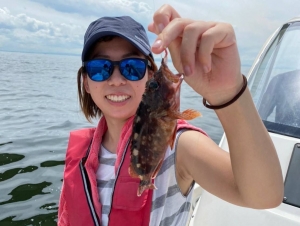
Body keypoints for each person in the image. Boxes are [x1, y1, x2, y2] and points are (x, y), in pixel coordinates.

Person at [58, 4, 284, 226]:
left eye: (132, 67)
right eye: (100, 68)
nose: (116, 79)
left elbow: (263, 196)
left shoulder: (180, 145)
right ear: (86, 82)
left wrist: (228, 93)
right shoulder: (84, 155)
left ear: (149, 76)